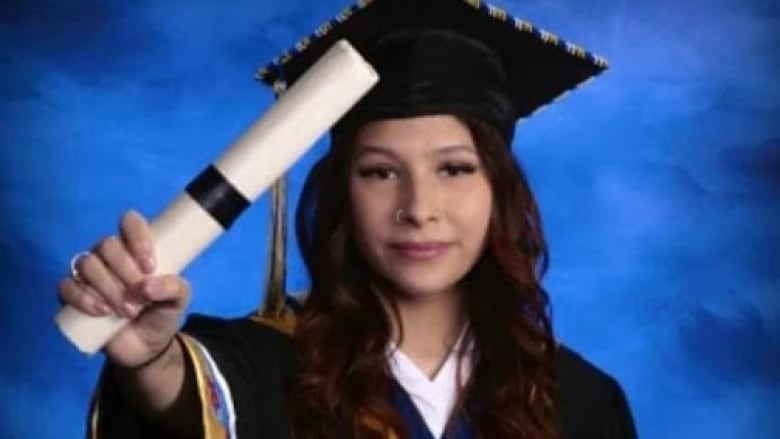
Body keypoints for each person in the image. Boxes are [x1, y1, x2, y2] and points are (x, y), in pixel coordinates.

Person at [58, 0, 637, 437]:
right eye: (380, 172)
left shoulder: (579, 401)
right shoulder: (269, 367)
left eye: (455, 169)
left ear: (500, 192)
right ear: (341, 195)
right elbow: (187, 398)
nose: (419, 208)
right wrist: (151, 364)